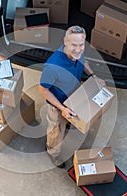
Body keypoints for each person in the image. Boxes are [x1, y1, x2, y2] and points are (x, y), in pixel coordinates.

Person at [39, 25, 104, 168]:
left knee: (67, 122)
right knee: (56, 132)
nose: (78, 49)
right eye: (74, 45)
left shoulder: (78, 53)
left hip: (74, 97)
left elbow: (84, 62)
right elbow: (43, 90)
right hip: (58, 105)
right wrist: (62, 108)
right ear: (65, 42)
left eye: (81, 45)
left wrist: (94, 76)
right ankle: (52, 153)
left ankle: (68, 122)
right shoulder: (52, 66)